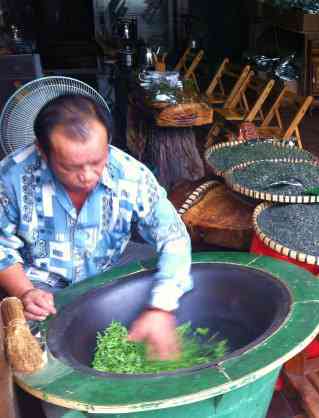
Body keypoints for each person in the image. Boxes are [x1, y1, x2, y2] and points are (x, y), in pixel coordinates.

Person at [0, 94, 193, 361]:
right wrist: (25, 292)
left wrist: (161, 307)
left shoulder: (129, 174)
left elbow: (173, 238)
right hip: (41, 284)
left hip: (106, 270)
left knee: (174, 281)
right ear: (43, 152)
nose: (88, 176)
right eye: (71, 167)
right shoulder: (11, 178)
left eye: (97, 161)